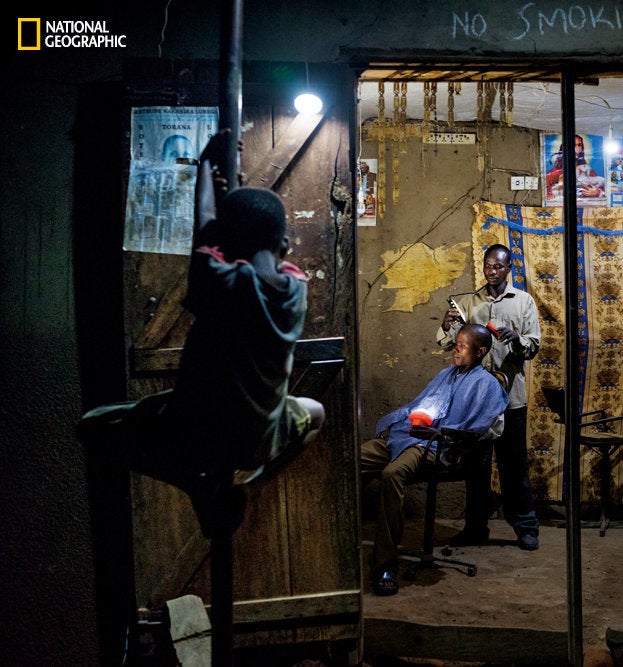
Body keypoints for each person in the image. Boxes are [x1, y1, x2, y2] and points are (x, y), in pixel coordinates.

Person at [80, 128, 326, 535]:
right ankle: (253, 485)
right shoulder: (295, 290)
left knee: (93, 425)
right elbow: (229, 236)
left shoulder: (222, 284)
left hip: (199, 437)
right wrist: (234, 207)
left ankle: (192, 482)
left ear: (228, 244)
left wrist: (205, 166)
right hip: (260, 440)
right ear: (284, 242)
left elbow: (207, 225)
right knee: (314, 413)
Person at [361, 323, 509, 596]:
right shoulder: (446, 375)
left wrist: (436, 431)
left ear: (480, 352)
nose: (455, 348)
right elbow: (420, 405)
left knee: (392, 475)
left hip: (438, 448)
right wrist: (405, 421)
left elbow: (474, 430)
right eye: (456, 343)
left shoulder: (487, 385)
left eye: (462, 346)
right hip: (408, 437)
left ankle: (384, 566)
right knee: (353, 460)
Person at [437, 244, 542, 551]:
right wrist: (446, 328)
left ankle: (525, 527)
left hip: (510, 400)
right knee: (476, 469)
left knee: (514, 467)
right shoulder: (469, 303)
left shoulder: (523, 302)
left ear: (509, 268)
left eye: (498, 267)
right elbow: (448, 343)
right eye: (487, 266)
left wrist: (516, 339)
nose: (492, 272)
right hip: (475, 403)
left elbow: (533, 347)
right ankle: (474, 529)